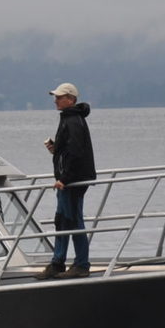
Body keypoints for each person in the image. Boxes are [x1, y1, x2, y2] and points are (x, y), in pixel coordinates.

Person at [43, 81, 97, 277]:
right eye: (55, 97)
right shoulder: (69, 118)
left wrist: (64, 179)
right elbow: (70, 150)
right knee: (62, 220)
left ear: (70, 99)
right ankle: (57, 262)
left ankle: (81, 264)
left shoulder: (73, 120)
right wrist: (56, 149)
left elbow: (76, 152)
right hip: (67, 180)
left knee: (73, 220)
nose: (55, 101)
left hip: (72, 181)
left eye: (59, 97)